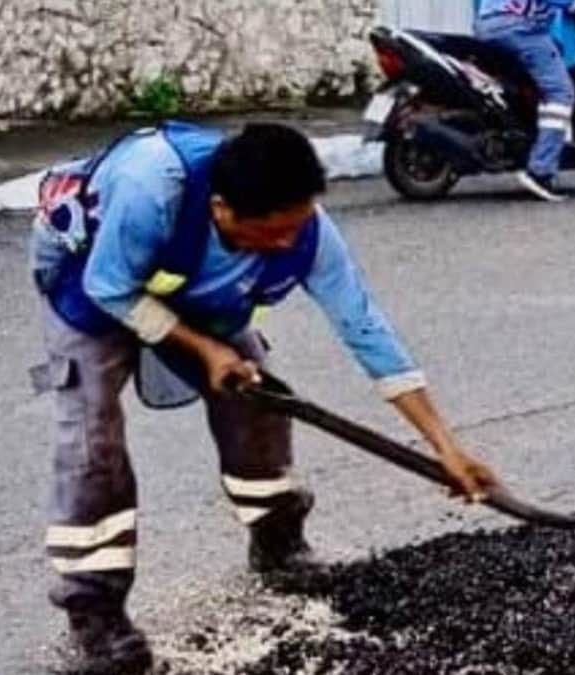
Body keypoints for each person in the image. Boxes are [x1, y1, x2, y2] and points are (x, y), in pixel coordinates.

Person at [28, 121, 500, 674]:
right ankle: (96, 614)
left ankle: (279, 545)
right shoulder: (151, 188)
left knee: (259, 398)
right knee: (92, 438)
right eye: (271, 233)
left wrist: (445, 445)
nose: (286, 244)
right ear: (222, 209)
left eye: (294, 228)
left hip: (194, 290)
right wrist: (203, 349)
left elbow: (365, 328)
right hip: (87, 282)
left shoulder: (306, 230)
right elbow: (109, 286)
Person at [475, 0, 575, 202]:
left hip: (489, 26)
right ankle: (540, 171)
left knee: (541, 72)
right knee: (561, 92)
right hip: (519, 27)